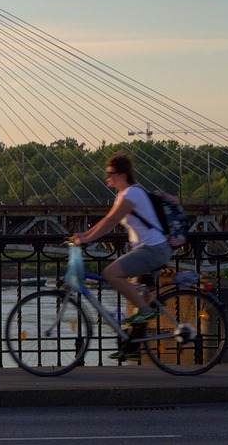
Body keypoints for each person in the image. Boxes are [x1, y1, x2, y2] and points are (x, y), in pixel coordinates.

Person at [70, 151, 175, 360]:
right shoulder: (123, 194)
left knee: (111, 273)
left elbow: (110, 222)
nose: (107, 177)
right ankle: (133, 346)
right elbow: (108, 219)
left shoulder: (131, 194)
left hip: (153, 250)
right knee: (141, 296)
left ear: (123, 174)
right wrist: (84, 235)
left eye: (111, 173)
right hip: (149, 249)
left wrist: (88, 239)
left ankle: (146, 310)